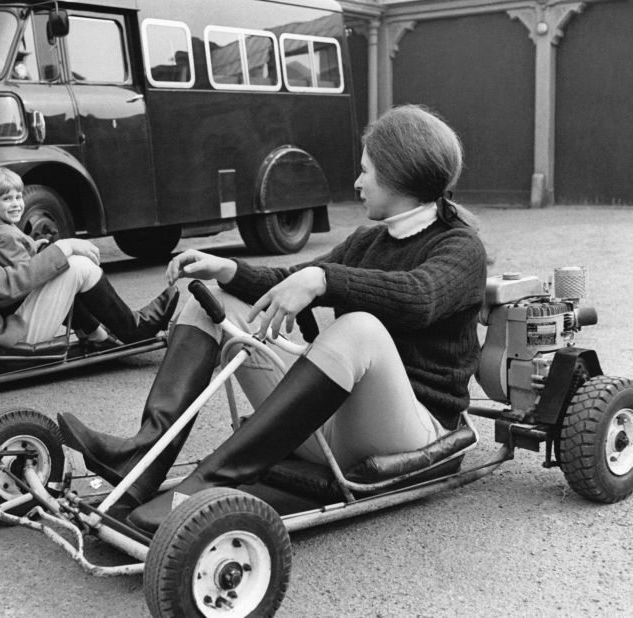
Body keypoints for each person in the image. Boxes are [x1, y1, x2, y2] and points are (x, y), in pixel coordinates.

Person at [56, 104, 488, 532]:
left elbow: (419, 298)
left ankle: (207, 486)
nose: (357, 182)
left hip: (411, 431)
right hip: (331, 424)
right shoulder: (368, 240)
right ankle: (144, 459)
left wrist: (323, 279)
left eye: (366, 172)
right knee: (215, 302)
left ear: (399, 174)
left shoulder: (459, 247)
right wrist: (228, 269)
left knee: (360, 329)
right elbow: (290, 280)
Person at [0, 145, 178, 353]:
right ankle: (135, 329)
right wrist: (64, 246)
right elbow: (5, 284)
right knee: (78, 266)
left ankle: (104, 331)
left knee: (59, 266)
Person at [0, 166, 158, 347]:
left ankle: (96, 330)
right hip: (15, 307)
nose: (16, 204)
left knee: (63, 272)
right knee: (66, 274)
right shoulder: (3, 236)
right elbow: (28, 274)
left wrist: (35, 247)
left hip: (7, 303)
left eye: (18, 197)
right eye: (7, 199)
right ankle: (124, 328)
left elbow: (8, 258)